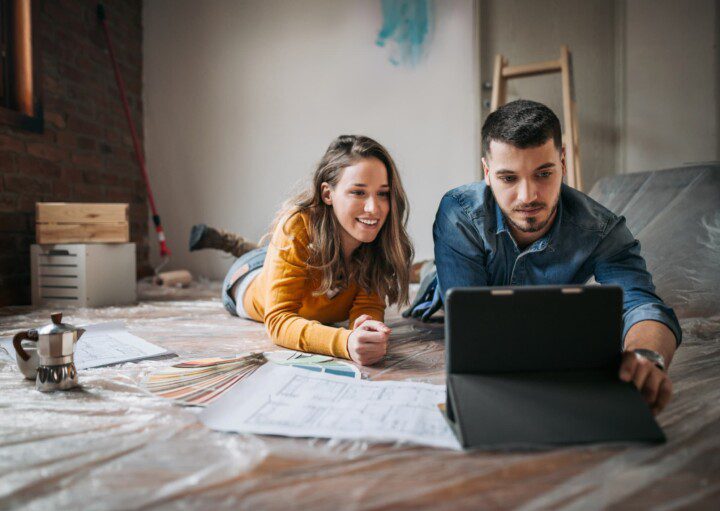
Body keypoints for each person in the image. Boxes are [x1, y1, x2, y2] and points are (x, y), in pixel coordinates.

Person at [406, 100, 681, 415]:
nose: (527, 197)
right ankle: (424, 268)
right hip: (459, 278)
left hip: (538, 293)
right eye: (508, 178)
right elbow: (472, 328)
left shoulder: (601, 230)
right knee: (433, 275)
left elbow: (642, 304)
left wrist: (648, 356)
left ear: (562, 162)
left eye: (543, 174)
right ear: (487, 172)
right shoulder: (459, 213)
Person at [190, 135, 414, 366]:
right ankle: (227, 241)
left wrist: (366, 332)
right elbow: (278, 321)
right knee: (259, 253)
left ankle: (257, 247)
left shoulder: (378, 240)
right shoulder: (297, 226)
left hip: (300, 255)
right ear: (327, 194)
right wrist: (345, 342)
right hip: (246, 276)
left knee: (271, 250)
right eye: (358, 192)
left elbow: (367, 306)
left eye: (383, 193)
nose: (373, 208)